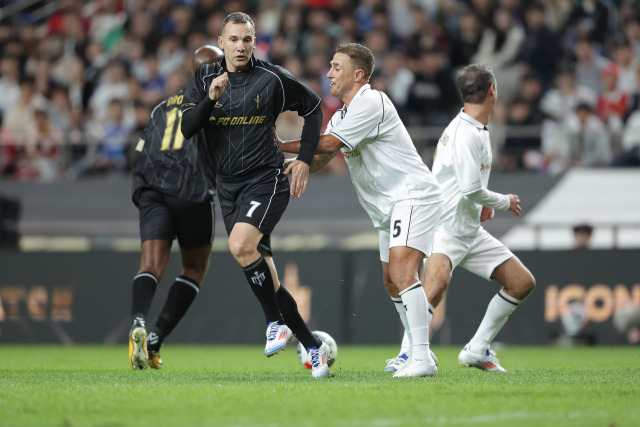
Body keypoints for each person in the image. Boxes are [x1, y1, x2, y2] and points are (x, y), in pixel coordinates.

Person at [277, 43, 444, 378]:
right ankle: (411, 351)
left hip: (412, 195)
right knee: (391, 281)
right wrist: (286, 163)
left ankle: (422, 358)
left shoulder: (371, 101)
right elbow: (321, 157)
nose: (328, 74)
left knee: (402, 274)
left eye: (336, 67)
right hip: (387, 207)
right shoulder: (342, 115)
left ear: (358, 74)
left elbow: (326, 145)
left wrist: (277, 144)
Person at [180, 12, 331, 378]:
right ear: (221, 42)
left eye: (247, 39)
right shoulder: (203, 78)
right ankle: (314, 348)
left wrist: (304, 161)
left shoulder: (272, 78)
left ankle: (274, 324)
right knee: (267, 274)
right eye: (234, 39)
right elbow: (187, 127)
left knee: (240, 245)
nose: (241, 46)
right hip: (227, 186)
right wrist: (210, 100)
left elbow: (313, 108)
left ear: (254, 42)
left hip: (266, 178)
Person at [390, 64, 536, 372]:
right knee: (436, 283)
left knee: (521, 282)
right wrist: (503, 201)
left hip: (469, 229)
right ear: (492, 90)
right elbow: (469, 187)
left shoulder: (471, 128)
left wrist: (480, 202)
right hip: (444, 225)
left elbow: (459, 180)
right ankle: (408, 354)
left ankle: (478, 348)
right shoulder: (465, 132)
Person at [128, 45, 222, 370]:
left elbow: (140, 146)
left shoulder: (160, 107)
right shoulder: (219, 104)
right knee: (193, 269)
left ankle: (138, 321)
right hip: (190, 190)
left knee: (151, 263)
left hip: (151, 186)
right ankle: (154, 340)